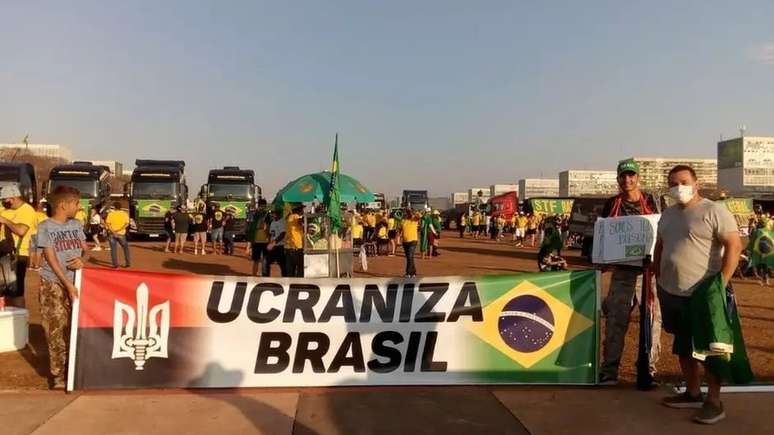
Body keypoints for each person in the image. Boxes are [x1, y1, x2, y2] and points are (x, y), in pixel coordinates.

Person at [655, 165, 742, 425]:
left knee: (709, 348)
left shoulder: (714, 211)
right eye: (673, 183)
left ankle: (714, 401)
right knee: (683, 346)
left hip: (703, 293)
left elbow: (734, 247)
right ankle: (692, 392)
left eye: (683, 181)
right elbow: (661, 245)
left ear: (696, 183)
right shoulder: (667, 215)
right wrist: (657, 274)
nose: (677, 187)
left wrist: (720, 283)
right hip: (671, 291)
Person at [598, 159, 661, 387]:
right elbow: (603, 234)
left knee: (652, 322)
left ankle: (648, 370)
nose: (627, 180)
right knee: (615, 321)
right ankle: (609, 371)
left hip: (648, 273)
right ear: (618, 179)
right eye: (623, 176)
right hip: (622, 273)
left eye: (631, 175)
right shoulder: (611, 204)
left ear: (638, 178)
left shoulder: (652, 201)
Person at [35, 186, 89, 390]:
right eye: (76, 203)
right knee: (56, 328)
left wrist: (82, 260)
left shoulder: (77, 224)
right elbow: (50, 257)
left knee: (74, 327)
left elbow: (87, 251)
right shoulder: (45, 227)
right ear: (63, 205)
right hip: (53, 283)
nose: (78, 207)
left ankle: (74, 371)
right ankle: (58, 375)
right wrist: (67, 284)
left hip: (77, 282)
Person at [0, 184, 37, 307]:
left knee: (15, 292)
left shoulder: (27, 210)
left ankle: (19, 320)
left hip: (17, 255)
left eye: (5, 200)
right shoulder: (3, 209)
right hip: (3, 253)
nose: (3, 202)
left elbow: (21, 230)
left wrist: (5, 221)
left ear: (14, 197)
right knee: (3, 291)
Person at [246, 199, 271, 276]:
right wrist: (248, 246)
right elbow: (251, 229)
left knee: (265, 260)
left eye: (264, 206)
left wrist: (265, 228)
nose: (262, 207)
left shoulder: (268, 216)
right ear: (259, 206)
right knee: (256, 260)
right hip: (256, 241)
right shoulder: (254, 214)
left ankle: (265, 275)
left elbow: (269, 229)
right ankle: (254, 275)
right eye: (261, 206)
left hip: (265, 241)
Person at [105, 202, 131, 268]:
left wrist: (113, 231)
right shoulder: (124, 214)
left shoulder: (111, 214)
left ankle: (115, 264)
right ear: (120, 207)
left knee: (113, 249)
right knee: (125, 248)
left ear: (114, 207)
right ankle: (128, 263)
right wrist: (119, 230)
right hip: (121, 234)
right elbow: (127, 224)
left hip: (112, 234)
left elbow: (108, 224)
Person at [284, 205, 304, 277]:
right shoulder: (296, 217)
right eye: (302, 209)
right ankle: (298, 286)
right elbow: (301, 222)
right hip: (296, 246)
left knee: (290, 271)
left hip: (288, 246)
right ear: (299, 210)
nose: (303, 211)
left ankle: (290, 286)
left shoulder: (288, 218)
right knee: (300, 268)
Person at [30, 200, 50, 270]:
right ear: (43, 209)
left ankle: (31, 265)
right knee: (39, 251)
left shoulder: (32, 214)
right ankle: (36, 266)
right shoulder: (44, 216)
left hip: (32, 233)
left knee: (32, 250)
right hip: (40, 234)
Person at [267, 209, 287, 277]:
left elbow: (283, 234)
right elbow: (271, 234)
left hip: (280, 246)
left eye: (274, 213)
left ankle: (285, 279)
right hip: (273, 246)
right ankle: (266, 278)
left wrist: (273, 243)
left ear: (278, 214)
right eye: (272, 213)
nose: (272, 215)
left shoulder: (282, 222)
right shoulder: (272, 222)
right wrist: (269, 242)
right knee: (267, 262)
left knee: (282, 265)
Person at [400, 210, 420, 277]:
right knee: (409, 257)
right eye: (406, 213)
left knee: (410, 256)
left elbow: (419, 217)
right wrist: (398, 239)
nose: (406, 214)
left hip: (413, 241)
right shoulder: (403, 221)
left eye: (408, 213)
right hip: (405, 241)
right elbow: (400, 230)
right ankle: (413, 272)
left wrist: (413, 213)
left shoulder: (414, 220)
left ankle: (408, 273)